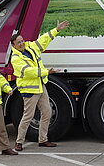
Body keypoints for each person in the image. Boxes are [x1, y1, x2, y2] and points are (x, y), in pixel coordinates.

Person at [11, 21, 69, 151]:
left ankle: (43, 140)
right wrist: (46, 72)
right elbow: (28, 72)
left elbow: (43, 40)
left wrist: (56, 30)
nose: (22, 43)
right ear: (13, 46)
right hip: (29, 90)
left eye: (22, 41)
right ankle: (19, 142)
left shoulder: (30, 47)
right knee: (28, 116)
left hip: (40, 86)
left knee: (47, 112)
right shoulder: (15, 58)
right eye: (18, 42)